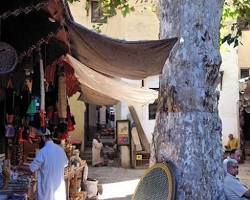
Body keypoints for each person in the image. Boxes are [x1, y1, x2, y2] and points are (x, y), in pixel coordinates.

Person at [29, 129, 68, 200]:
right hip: (59, 194)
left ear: (43, 138)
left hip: (47, 193)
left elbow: (31, 168)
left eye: (38, 138)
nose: (37, 141)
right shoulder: (60, 150)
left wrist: (18, 167)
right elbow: (66, 163)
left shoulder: (42, 152)